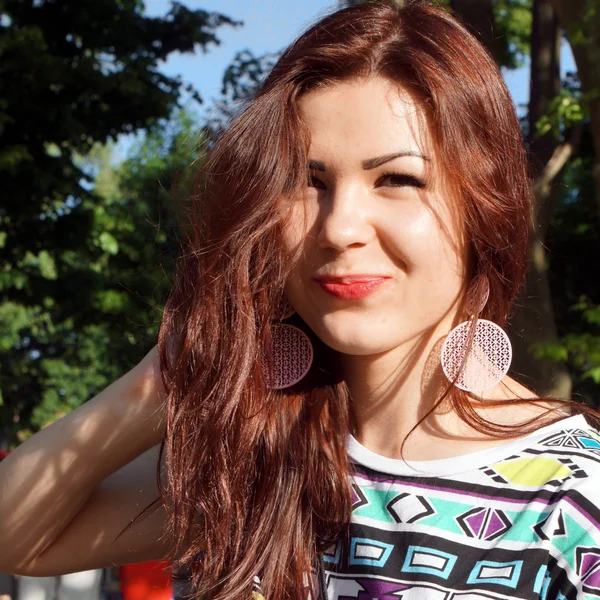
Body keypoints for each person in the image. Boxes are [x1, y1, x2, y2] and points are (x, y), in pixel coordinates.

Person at [0, 1, 598, 599]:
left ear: (483, 210)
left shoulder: (573, 503)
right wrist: (171, 375)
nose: (340, 228)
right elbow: (16, 537)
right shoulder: (250, 462)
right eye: (306, 182)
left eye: (397, 180)